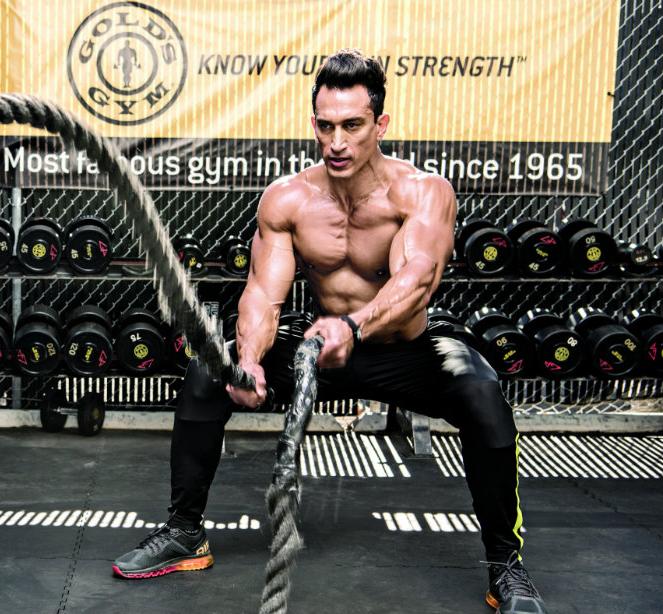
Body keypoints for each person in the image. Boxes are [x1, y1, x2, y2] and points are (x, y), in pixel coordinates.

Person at [111, 49, 547, 614]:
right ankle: (185, 532)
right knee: (208, 372)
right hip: (320, 345)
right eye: (325, 126)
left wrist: (354, 325)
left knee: (482, 393)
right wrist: (249, 360)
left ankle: (506, 565)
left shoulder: (421, 192)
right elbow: (262, 295)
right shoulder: (289, 199)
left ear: (380, 124)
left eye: (352, 126)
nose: (336, 142)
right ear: (313, 123)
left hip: (404, 347)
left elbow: (417, 280)